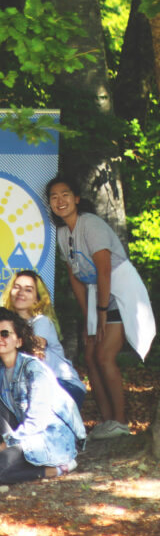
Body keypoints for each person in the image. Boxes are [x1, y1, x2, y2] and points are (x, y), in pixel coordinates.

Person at [47, 175, 155, 439]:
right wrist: (89, 318)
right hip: (98, 298)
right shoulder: (63, 233)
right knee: (90, 356)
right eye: (54, 197)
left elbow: (105, 270)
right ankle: (107, 421)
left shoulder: (91, 224)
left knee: (105, 356)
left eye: (65, 195)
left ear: (76, 198)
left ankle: (121, 422)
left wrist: (103, 312)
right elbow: (75, 277)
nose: (60, 201)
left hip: (120, 293)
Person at [0, 308, 85, 484]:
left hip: (49, 437)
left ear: (19, 341)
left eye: (5, 333)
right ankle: (12, 459)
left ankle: (57, 468)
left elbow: (38, 420)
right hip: (25, 435)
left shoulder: (33, 369)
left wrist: (7, 444)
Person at [1, 270, 86, 407]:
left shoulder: (41, 321)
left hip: (62, 384)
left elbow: (34, 349)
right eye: (16, 287)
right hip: (32, 387)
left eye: (28, 290)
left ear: (37, 298)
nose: (21, 292)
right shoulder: (4, 326)